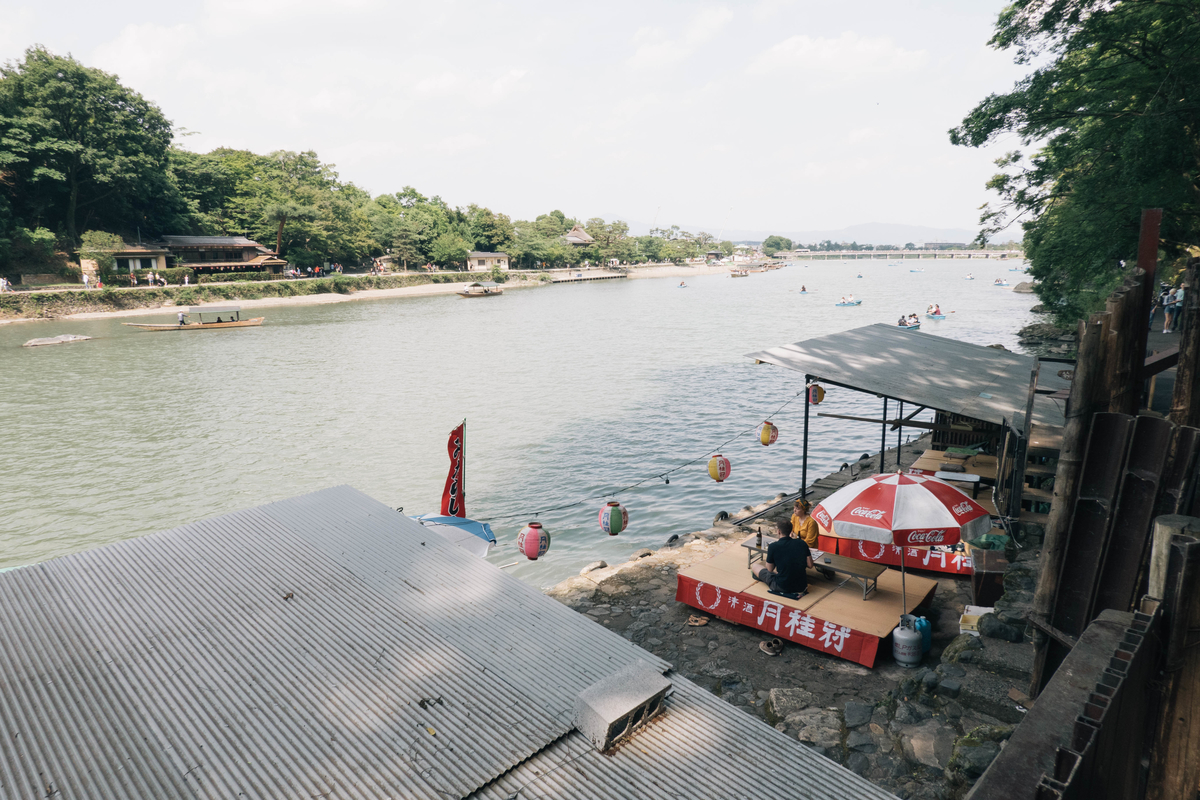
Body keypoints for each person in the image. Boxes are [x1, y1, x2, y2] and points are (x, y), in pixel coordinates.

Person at [751, 519, 813, 597]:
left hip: (782, 586)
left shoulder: (773, 546)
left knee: (755, 566)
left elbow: (769, 569)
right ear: (791, 531)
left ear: (779, 531)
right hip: (801, 586)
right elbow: (810, 565)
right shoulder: (802, 543)